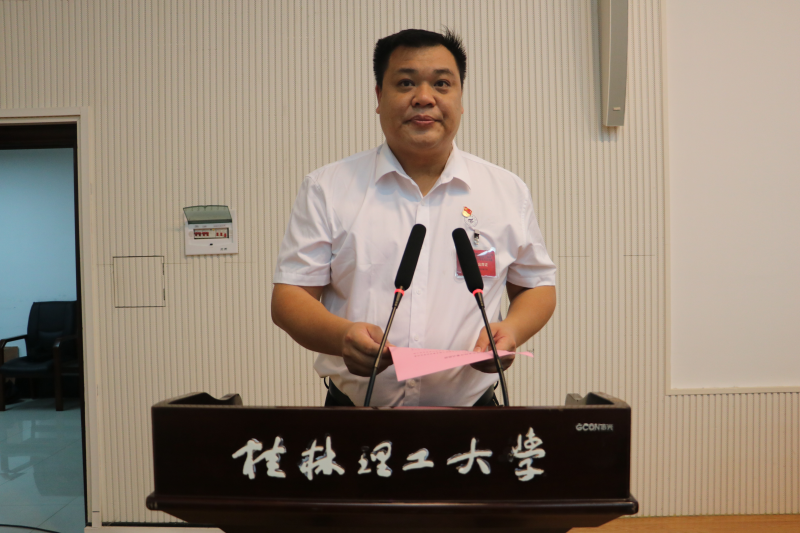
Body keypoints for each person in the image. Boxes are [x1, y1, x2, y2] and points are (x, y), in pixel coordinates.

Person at [272, 29, 556, 407]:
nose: (424, 97)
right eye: (406, 83)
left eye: (441, 83)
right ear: (379, 97)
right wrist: (342, 336)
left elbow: (537, 286)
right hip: (355, 416)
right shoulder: (327, 188)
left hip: (473, 417)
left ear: (460, 98)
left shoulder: (506, 190)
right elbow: (290, 297)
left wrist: (511, 330)